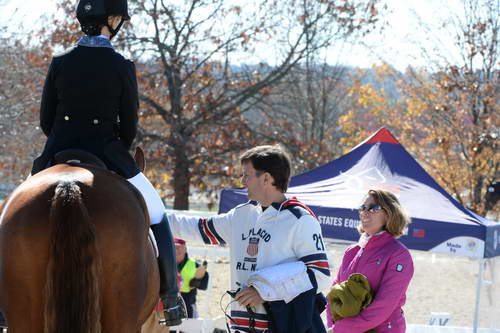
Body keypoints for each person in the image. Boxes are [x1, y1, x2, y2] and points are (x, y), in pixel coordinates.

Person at [29, 0, 185, 325]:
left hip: (56, 149)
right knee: (157, 214)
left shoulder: (60, 62)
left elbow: (46, 120)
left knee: (12, 213)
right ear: (112, 20)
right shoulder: (122, 65)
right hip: (107, 151)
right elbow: (128, 127)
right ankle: (171, 297)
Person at [167, 145, 331, 332]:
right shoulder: (240, 214)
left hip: (279, 325)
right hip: (239, 325)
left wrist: (265, 292)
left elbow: (320, 275)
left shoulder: (301, 219)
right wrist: (149, 214)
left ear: (267, 178)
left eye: (247, 175)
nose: (242, 181)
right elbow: (197, 228)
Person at [326, 189, 414, 333]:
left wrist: (342, 329)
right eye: (363, 208)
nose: (366, 212)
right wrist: (333, 325)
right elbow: (334, 294)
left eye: (374, 208)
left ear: (389, 213)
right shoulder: (351, 252)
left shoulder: (399, 254)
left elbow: (385, 304)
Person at [174, 238, 209, 319]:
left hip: (188, 302)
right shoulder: (166, 264)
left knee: (190, 327)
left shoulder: (195, 265)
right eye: (175, 247)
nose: (177, 250)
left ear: (185, 249)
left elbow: (204, 286)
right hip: (170, 302)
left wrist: (197, 282)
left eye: (180, 247)